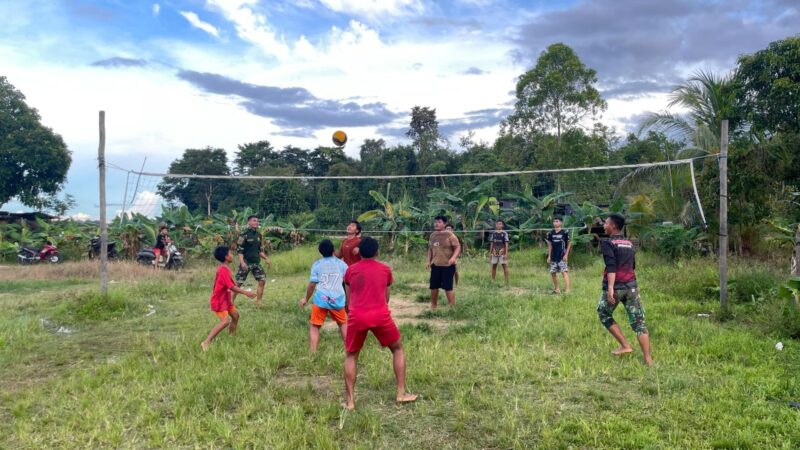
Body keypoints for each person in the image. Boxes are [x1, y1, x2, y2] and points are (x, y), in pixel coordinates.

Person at [342, 237, 417, 410]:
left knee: (351, 355)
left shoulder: (350, 271)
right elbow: (387, 298)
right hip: (380, 314)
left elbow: (348, 297)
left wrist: (352, 310)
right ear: (377, 252)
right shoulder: (385, 270)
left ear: (359, 252)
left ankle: (350, 401)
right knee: (397, 349)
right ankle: (401, 393)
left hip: (356, 315)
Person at [596, 214, 653, 366]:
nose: (604, 225)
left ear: (613, 226)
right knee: (639, 322)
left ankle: (625, 345)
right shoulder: (629, 243)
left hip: (616, 287)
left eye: (606, 223)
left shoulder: (607, 243)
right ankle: (648, 360)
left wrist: (610, 287)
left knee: (603, 312)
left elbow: (612, 266)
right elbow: (631, 265)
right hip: (632, 286)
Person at [201, 246, 256, 351]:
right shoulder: (223, 270)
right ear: (226, 257)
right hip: (219, 301)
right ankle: (206, 342)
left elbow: (229, 286)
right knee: (225, 321)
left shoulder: (225, 268)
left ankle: (231, 337)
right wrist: (246, 292)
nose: (232, 255)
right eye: (230, 253)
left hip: (226, 300)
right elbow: (231, 287)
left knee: (235, 316)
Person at [298, 239, 348, 353]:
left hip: (321, 299)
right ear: (334, 250)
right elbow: (349, 281)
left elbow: (312, 284)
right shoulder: (342, 264)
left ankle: (313, 352)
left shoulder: (317, 264)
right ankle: (349, 350)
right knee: (343, 324)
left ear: (320, 252)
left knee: (315, 326)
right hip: (338, 299)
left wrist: (306, 299)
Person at [233, 215, 272, 307]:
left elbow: (259, 251)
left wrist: (266, 258)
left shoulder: (259, 235)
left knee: (262, 280)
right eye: (254, 221)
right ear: (249, 222)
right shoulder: (243, 235)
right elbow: (239, 250)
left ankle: (259, 303)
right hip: (246, 262)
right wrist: (242, 262)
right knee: (238, 284)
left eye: (257, 221)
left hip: (256, 263)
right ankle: (230, 302)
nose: (256, 222)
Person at [426, 216, 461, 309]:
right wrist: (428, 261)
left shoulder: (450, 235)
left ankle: (452, 308)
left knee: (448, 287)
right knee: (433, 286)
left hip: (448, 265)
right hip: (435, 264)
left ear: (444, 224)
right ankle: (433, 306)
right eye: (435, 222)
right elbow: (430, 249)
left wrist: (453, 257)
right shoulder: (433, 235)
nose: (436, 224)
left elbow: (457, 247)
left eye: (439, 222)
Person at [546, 217, 571, 294]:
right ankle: (557, 289)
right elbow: (550, 245)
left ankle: (568, 290)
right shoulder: (551, 233)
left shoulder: (565, 232)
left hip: (562, 255)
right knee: (553, 272)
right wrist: (549, 256)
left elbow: (569, 243)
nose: (555, 223)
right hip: (554, 256)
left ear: (561, 223)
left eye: (557, 221)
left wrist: (566, 255)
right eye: (554, 221)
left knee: (564, 272)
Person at [489, 219, 510, 285]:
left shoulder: (504, 233)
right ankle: (493, 280)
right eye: (497, 224)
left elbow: (506, 244)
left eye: (500, 224)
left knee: (504, 266)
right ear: (496, 225)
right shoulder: (494, 233)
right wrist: (490, 253)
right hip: (495, 252)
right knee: (494, 266)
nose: (499, 225)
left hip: (502, 252)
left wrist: (506, 253)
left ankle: (506, 281)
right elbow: (492, 243)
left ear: (502, 225)